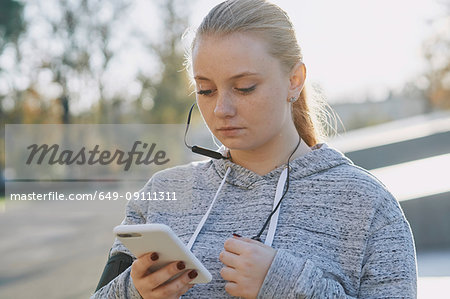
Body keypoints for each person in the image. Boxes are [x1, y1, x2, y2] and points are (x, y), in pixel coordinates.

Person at [91, 0, 417, 298]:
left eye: (244, 88)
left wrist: (287, 284)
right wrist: (133, 291)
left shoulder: (367, 205)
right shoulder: (161, 194)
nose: (221, 109)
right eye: (205, 90)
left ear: (295, 79)